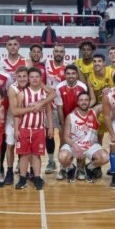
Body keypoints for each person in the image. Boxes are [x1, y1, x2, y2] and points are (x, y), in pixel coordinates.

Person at [14, 67, 53, 191]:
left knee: (36, 155)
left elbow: (48, 112)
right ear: (28, 79)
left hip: (39, 129)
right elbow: (17, 113)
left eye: (37, 77)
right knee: (24, 155)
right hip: (24, 128)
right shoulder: (22, 94)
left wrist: (50, 127)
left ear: (41, 78)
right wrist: (16, 129)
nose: (34, 79)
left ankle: (37, 178)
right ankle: (22, 179)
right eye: (32, 77)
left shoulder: (45, 94)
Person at [59, 92, 109, 183]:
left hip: (90, 145)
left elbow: (107, 104)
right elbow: (66, 137)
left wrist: (108, 94)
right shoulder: (70, 116)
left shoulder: (94, 111)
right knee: (62, 157)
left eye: (86, 100)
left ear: (90, 102)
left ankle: (89, 168)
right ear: (77, 102)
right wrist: (75, 146)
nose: (84, 102)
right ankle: (71, 168)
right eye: (81, 100)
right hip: (74, 145)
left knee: (105, 157)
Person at [45, 44, 67, 176]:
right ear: (53, 53)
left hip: (63, 106)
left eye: (61, 51)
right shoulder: (46, 63)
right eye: (56, 51)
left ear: (64, 54)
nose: (58, 53)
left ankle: (63, 163)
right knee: (49, 135)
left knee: (63, 135)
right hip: (49, 105)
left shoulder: (68, 67)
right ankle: (51, 161)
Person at [87, 54, 114, 144]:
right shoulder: (90, 78)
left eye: (99, 61)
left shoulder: (112, 73)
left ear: (104, 63)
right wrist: (85, 108)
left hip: (114, 105)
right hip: (101, 107)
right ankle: (98, 148)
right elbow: (93, 99)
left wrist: (111, 91)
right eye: (94, 61)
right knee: (98, 135)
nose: (96, 63)